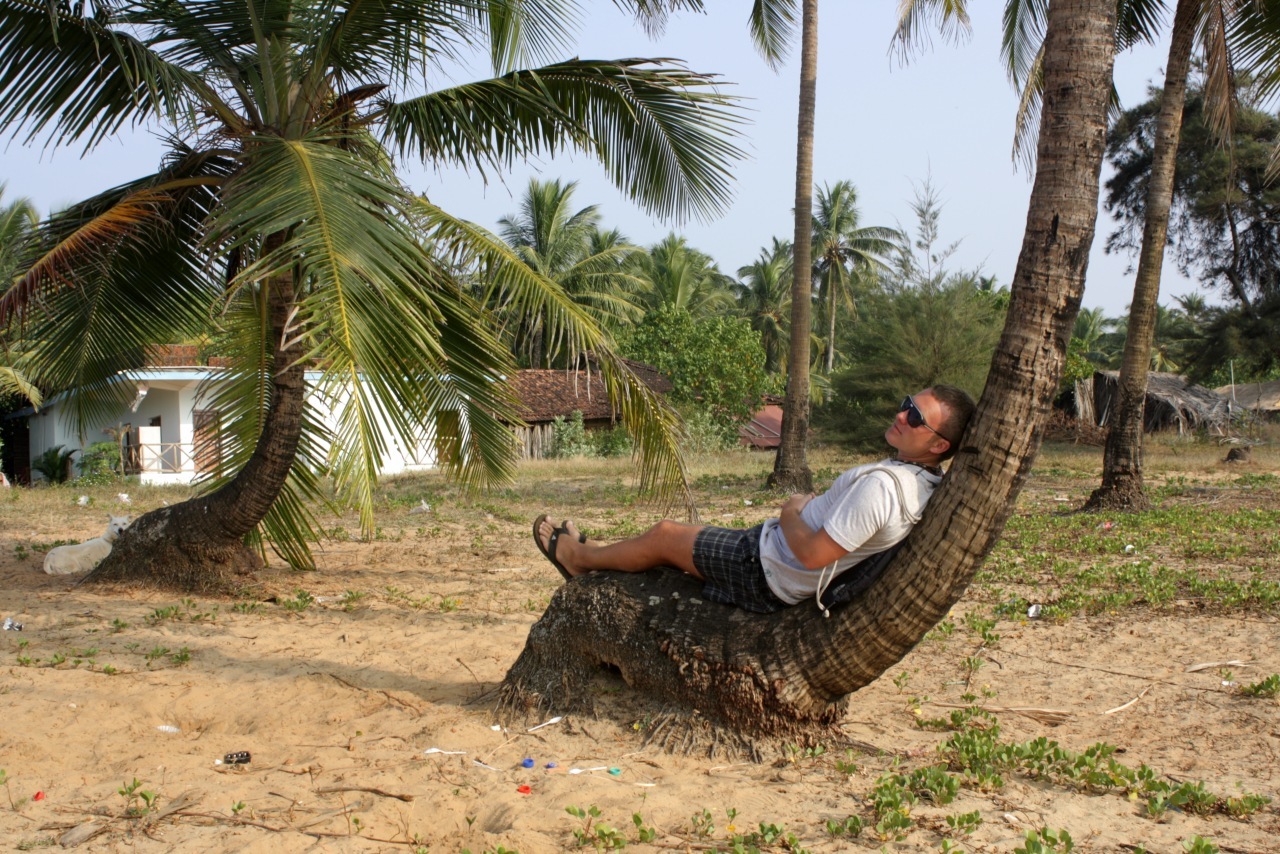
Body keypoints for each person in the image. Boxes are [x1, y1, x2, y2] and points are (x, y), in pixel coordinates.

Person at [533, 385, 976, 614]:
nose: (901, 415)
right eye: (906, 404)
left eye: (915, 417)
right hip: (770, 555)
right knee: (677, 537)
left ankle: (579, 559)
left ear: (939, 445)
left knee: (665, 535)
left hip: (766, 569)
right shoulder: (921, 480)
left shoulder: (883, 489)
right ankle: (597, 552)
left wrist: (791, 511)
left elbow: (812, 555)